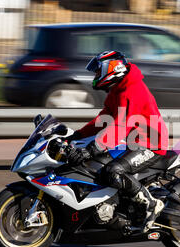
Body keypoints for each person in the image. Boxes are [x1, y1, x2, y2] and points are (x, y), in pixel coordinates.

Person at [64, 51, 169, 232]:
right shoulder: (118, 89)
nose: (96, 76)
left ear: (112, 69)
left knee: (114, 171)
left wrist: (94, 147)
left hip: (151, 144)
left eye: (98, 72)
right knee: (97, 165)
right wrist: (77, 135)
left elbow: (121, 126)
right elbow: (103, 119)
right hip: (132, 142)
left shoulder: (131, 90)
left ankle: (150, 204)